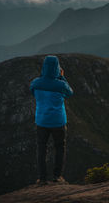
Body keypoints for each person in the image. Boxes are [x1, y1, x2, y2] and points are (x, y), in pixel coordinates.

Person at [30, 55, 73, 185]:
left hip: (41, 121)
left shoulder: (35, 83)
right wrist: (61, 76)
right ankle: (57, 176)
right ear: (57, 68)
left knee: (41, 149)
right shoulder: (60, 84)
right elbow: (70, 93)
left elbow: (33, 93)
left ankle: (42, 178)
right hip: (58, 122)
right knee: (59, 147)